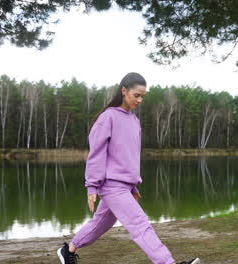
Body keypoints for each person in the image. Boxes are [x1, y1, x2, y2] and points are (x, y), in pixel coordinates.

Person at [56, 72, 200, 264]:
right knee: (140, 224)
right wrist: (92, 186)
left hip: (124, 185)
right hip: (111, 185)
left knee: (100, 224)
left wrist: (133, 185)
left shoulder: (134, 121)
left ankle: (69, 250)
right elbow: (96, 154)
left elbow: (129, 156)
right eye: (136, 95)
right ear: (124, 91)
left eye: (143, 96)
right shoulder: (108, 117)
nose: (140, 100)